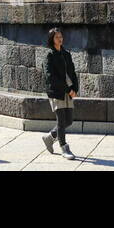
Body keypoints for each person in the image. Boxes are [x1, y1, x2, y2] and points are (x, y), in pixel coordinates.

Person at [41, 28, 79, 160]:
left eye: (61, 36)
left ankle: (49, 137)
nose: (60, 39)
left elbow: (72, 73)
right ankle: (64, 148)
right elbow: (50, 77)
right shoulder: (49, 55)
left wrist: (75, 88)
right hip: (57, 92)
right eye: (57, 37)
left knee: (69, 120)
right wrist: (68, 89)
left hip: (68, 91)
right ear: (52, 39)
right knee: (61, 121)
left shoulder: (66, 54)